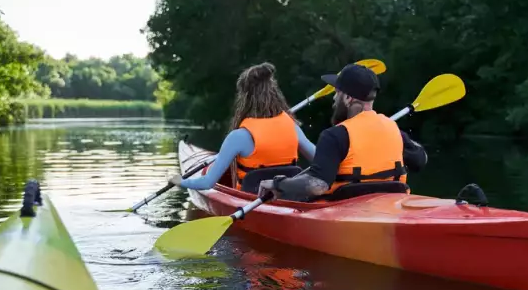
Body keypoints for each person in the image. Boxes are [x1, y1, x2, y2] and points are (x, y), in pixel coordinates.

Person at [258, 63, 427, 202]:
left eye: (336, 93)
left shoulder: (334, 135)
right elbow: (420, 160)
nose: (333, 99)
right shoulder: (393, 129)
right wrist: (398, 137)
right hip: (389, 208)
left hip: (343, 214)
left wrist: (279, 183)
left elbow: (317, 185)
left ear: (348, 98)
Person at [167, 62, 315, 191]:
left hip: (251, 200)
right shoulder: (292, 127)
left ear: (244, 98)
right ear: (275, 93)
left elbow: (207, 183)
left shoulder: (238, 137)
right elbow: (321, 159)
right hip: (291, 198)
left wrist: (181, 181)